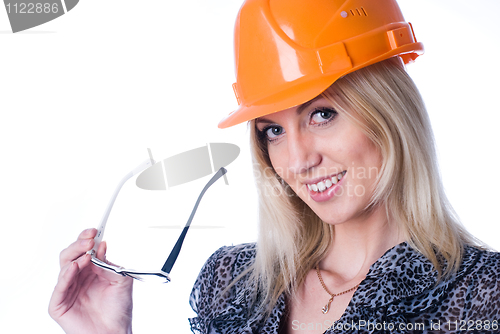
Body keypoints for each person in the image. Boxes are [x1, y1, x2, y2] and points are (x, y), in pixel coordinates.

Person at [49, 0, 500, 333]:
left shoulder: (482, 296)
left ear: (389, 110)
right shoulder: (231, 282)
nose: (298, 160)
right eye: (273, 131)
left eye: (322, 114)